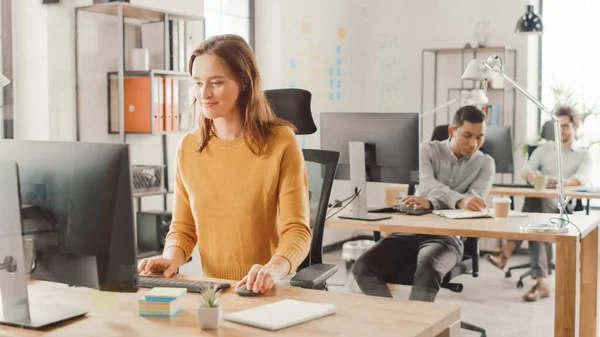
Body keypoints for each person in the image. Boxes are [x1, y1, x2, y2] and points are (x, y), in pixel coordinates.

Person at [137, 34, 312, 294]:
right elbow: (183, 228)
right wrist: (170, 257)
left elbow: (297, 230)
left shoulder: (281, 142)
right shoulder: (188, 147)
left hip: (270, 286)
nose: (204, 94)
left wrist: (272, 269)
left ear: (244, 82)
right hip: (213, 290)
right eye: (197, 83)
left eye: (216, 83)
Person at [351, 106, 495, 302]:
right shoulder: (427, 149)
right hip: (409, 229)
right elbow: (426, 184)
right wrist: (459, 200)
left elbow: (474, 203)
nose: (474, 143)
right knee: (362, 268)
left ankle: (417, 329)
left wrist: (432, 203)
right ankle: (397, 321)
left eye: (480, 137)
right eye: (467, 135)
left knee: (428, 269)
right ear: (452, 131)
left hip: (446, 238)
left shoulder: (485, 163)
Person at [485, 105, 590, 301]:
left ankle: (507, 251)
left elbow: (581, 178)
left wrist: (556, 181)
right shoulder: (544, 149)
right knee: (536, 214)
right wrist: (531, 175)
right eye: (557, 126)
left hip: (563, 204)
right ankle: (541, 281)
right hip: (539, 199)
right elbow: (526, 169)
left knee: (534, 209)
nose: (561, 131)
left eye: (565, 126)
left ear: (575, 126)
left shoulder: (582, 154)